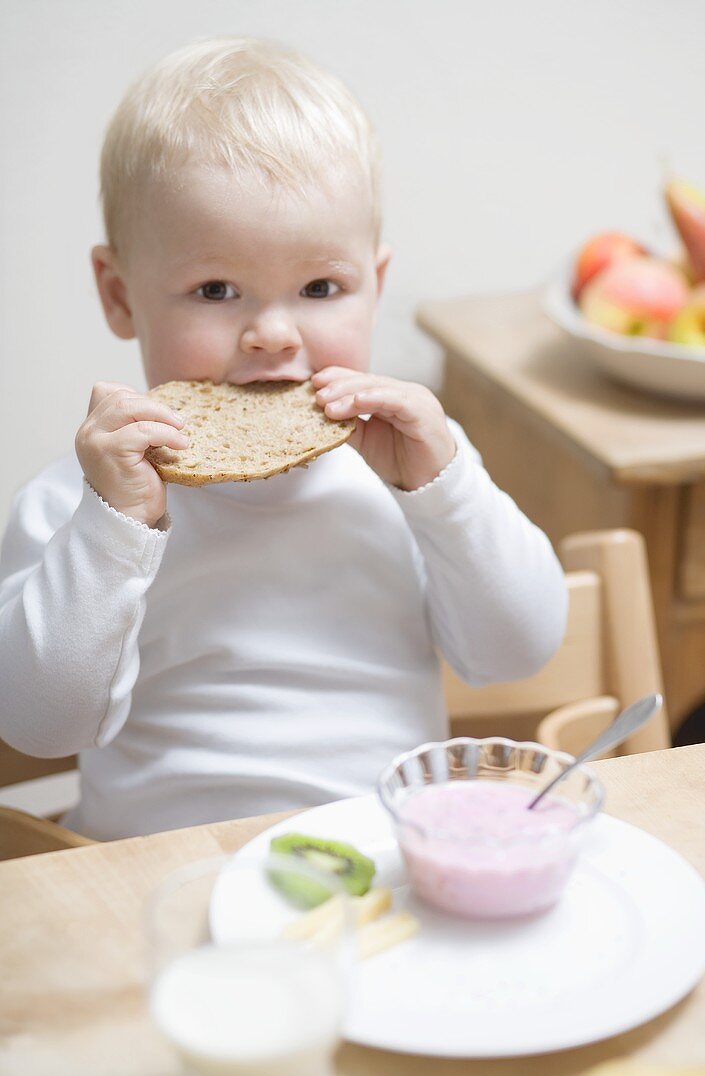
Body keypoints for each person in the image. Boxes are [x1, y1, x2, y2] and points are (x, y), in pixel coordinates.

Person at [0, 37, 567, 840]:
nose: (271, 332)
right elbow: (40, 725)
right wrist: (110, 528)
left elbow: (519, 650)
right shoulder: (78, 505)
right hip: (152, 872)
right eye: (216, 289)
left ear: (377, 285)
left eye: (320, 287)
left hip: (385, 867)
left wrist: (447, 493)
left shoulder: (410, 475)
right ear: (120, 295)